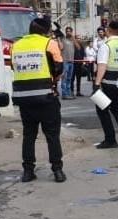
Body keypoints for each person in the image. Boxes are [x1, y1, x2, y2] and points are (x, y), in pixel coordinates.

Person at [10, 18, 66, 183]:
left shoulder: (16, 45)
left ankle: (28, 172)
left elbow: (14, 67)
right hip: (46, 97)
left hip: (24, 99)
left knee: (29, 135)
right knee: (52, 135)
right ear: (46, 31)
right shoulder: (49, 43)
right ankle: (57, 171)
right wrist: (52, 79)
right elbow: (59, 68)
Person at [93, 21, 118, 149]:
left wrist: (97, 83)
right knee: (117, 108)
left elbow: (102, 65)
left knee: (102, 109)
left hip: (107, 83)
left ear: (108, 31)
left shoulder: (106, 46)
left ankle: (110, 139)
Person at [60, 26, 76, 99]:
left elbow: (78, 47)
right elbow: (61, 47)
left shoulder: (72, 40)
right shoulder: (63, 39)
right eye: (67, 31)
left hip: (71, 62)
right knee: (64, 78)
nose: (68, 32)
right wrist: (58, 39)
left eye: (69, 31)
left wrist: (73, 38)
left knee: (69, 79)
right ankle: (64, 94)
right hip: (65, 61)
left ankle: (69, 93)